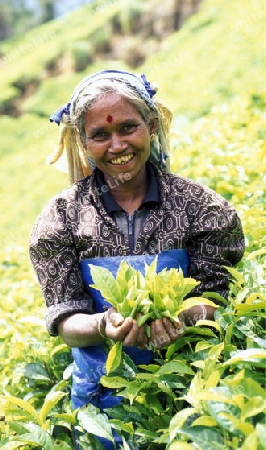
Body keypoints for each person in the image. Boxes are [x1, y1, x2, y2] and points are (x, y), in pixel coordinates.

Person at [29, 69, 245, 449]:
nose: (117, 145)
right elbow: (64, 319)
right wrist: (104, 325)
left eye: (128, 128)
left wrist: (185, 316)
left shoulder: (203, 209)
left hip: (189, 396)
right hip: (101, 406)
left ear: (152, 124)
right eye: (100, 135)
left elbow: (220, 301)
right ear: (83, 141)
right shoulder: (61, 217)